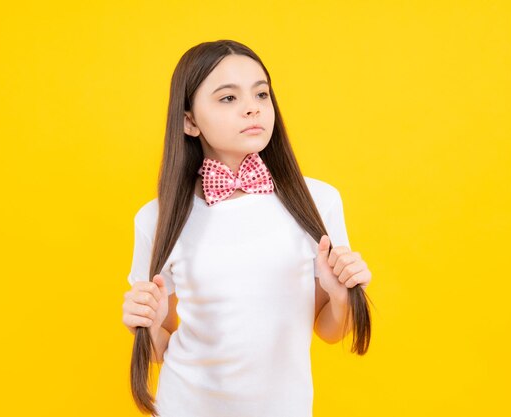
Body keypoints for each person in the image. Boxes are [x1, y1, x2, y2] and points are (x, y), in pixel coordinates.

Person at [121, 39, 373, 417]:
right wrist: (148, 324)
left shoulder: (318, 201)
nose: (253, 107)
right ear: (189, 120)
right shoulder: (156, 218)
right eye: (228, 98)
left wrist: (341, 297)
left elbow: (329, 330)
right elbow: (161, 346)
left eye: (261, 93)